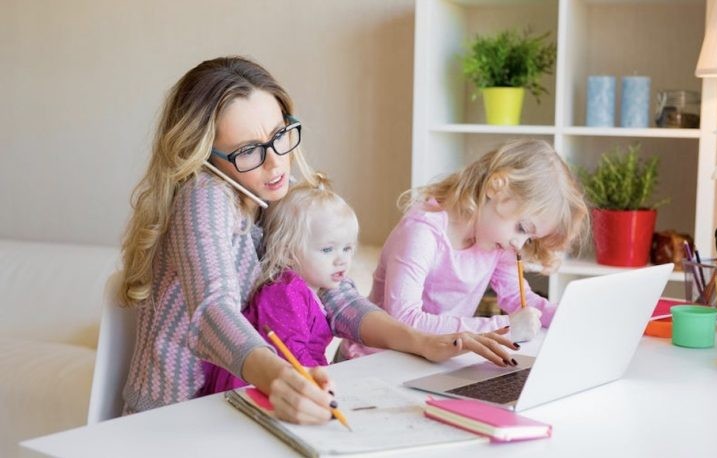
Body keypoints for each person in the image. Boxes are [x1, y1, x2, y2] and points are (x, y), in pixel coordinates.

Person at [118, 56, 517, 424]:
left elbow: (336, 295)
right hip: (174, 416)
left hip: (233, 402)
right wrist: (278, 378)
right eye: (248, 152)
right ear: (205, 156)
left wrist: (423, 341)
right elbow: (211, 311)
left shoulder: (275, 191)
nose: (276, 163)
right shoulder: (203, 195)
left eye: (279, 136)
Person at [340, 140, 589, 360]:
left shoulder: (497, 242)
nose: (519, 244)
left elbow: (520, 299)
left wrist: (570, 317)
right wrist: (503, 328)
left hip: (432, 360)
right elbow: (404, 321)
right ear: (496, 188)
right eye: (522, 227)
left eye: (530, 239)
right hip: (373, 360)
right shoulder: (423, 233)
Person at [201, 175, 358, 394]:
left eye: (347, 248)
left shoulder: (313, 290)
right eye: (327, 250)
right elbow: (293, 357)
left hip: (290, 382)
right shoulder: (285, 292)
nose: (341, 259)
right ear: (288, 252)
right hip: (251, 388)